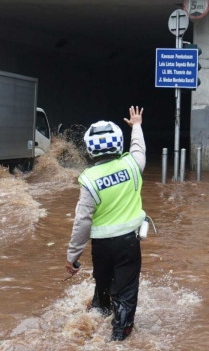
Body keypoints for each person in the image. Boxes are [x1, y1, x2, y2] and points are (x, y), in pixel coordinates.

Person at [65, 106, 146, 342]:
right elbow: (138, 149)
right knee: (127, 291)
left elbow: (82, 221)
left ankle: (98, 314)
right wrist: (137, 125)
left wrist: (72, 256)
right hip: (129, 243)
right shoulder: (132, 166)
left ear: (90, 149)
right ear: (118, 143)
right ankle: (120, 336)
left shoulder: (89, 179)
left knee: (102, 283)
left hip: (101, 246)